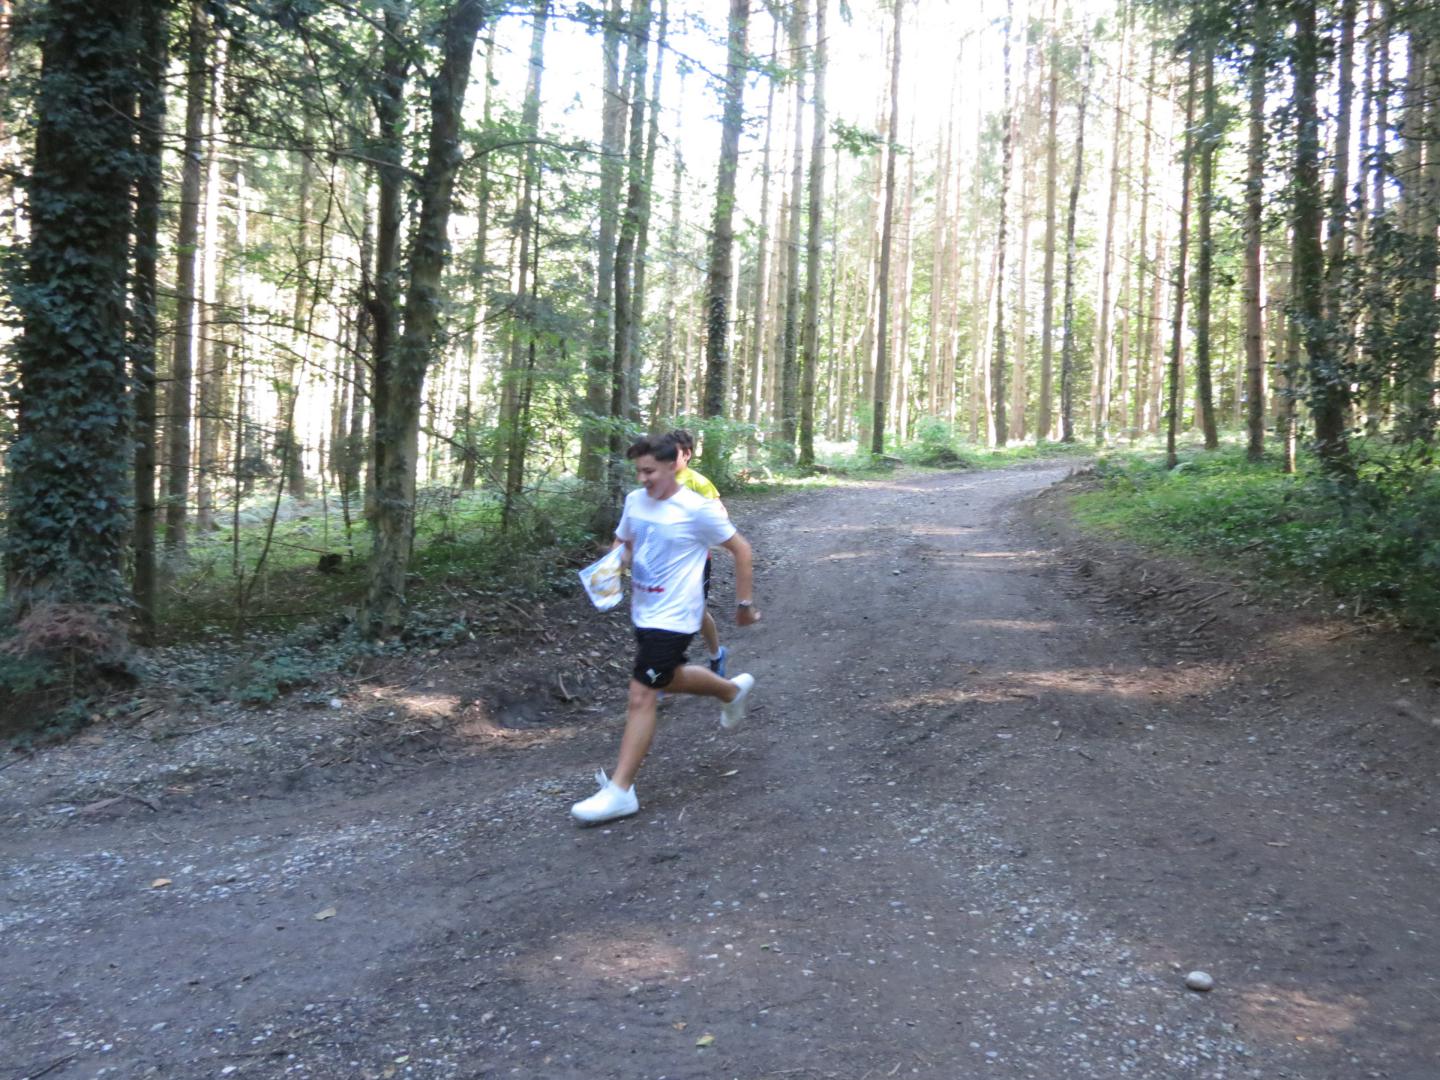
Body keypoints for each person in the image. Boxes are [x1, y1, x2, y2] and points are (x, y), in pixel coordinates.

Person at [571, 433, 761, 825]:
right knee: (667, 677)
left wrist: (744, 605)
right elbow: (624, 541)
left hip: (677, 615)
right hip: (644, 609)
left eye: (650, 471)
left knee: (642, 693)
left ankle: (620, 792)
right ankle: (730, 691)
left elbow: (741, 549)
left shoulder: (697, 508)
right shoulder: (635, 501)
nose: (643, 478)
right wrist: (612, 567)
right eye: (639, 471)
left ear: (674, 464)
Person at [668, 428, 727, 678]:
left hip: (696, 560)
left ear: (687, 454)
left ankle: (716, 655)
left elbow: (721, 516)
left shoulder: (698, 482)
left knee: (697, 612)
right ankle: (666, 670)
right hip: (666, 561)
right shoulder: (658, 481)